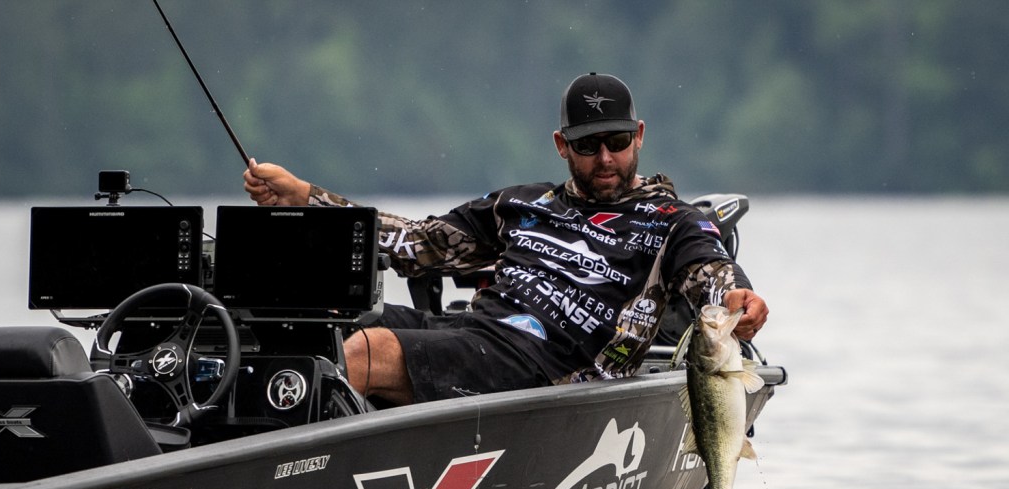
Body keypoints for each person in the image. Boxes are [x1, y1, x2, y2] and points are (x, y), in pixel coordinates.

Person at [243, 73, 769, 406]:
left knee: (367, 351)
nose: (606, 158)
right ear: (562, 145)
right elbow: (417, 242)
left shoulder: (672, 220)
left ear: (640, 136)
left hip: (558, 372)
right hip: (480, 335)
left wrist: (736, 299)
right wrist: (305, 198)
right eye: (589, 145)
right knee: (324, 323)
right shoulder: (520, 203)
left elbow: (710, 270)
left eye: (617, 140)